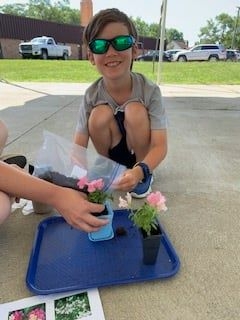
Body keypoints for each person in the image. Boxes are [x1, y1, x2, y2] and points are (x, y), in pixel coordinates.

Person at [74, 8, 167, 198]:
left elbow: (160, 145)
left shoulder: (150, 91)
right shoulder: (91, 95)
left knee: (135, 109)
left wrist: (140, 170)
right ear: (91, 56)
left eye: (121, 43)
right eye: (100, 46)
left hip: (140, 160)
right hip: (111, 153)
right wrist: (77, 179)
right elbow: (78, 147)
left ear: (134, 50)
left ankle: (142, 175)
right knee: (98, 114)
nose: (111, 52)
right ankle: (107, 167)